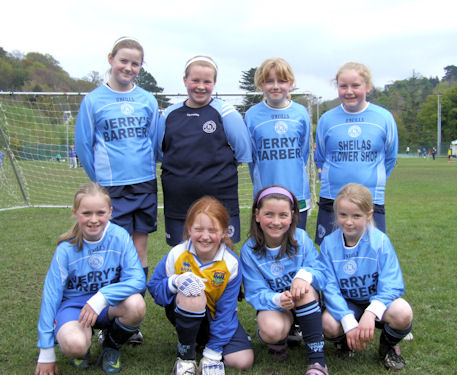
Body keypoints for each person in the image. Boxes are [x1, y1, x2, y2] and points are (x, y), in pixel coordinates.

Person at [75, 38, 159, 336]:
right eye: (124, 60)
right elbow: (84, 146)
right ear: (111, 59)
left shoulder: (148, 99)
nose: (129, 67)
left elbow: (154, 141)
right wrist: (101, 181)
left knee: (139, 251)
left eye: (135, 63)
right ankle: (106, 314)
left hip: (145, 184)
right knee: (114, 252)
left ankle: (130, 320)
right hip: (112, 188)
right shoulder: (94, 100)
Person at [35, 183, 146, 375]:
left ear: (110, 212)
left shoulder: (120, 237)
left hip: (106, 305)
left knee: (136, 304)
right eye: (86, 213)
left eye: (100, 213)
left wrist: (101, 297)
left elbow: (137, 279)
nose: (94, 220)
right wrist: (46, 352)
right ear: (75, 213)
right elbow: (51, 295)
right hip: (76, 309)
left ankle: (110, 347)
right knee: (75, 344)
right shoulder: (66, 249)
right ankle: (80, 348)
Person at [148, 196, 254, 375]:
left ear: (223, 232)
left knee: (242, 360)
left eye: (212, 230)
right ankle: (186, 357)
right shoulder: (177, 254)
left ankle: (205, 343)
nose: (205, 236)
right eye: (198, 229)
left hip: (217, 320)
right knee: (194, 294)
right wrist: (174, 282)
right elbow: (155, 289)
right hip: (185, 310)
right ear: (189, 229)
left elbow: (226, 311)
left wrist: (213, 352)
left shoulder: (231, 264)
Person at [159, 55, 252, 247]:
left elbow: (242, 151)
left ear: (214, 83)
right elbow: (160, 153)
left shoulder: (226, 113)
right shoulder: (169, 114)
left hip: (220, 200)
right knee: (182, 257)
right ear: (185, 80)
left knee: (222, 256)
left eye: (207, 81)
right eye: (195, 80)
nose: (200, 86)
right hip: (178, 203)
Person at [319, 183, 413, 371]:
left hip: (376, 302)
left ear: (369, 215)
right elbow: (329, 287)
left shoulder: (380, 242)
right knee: (327, 323)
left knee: (403, 312)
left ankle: (388, 346)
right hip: (348, 304)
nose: (349, 222)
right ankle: (346, 341)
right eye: (343, 215)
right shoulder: (328, 244)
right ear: (336, 214)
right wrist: (347, 319)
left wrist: (372, 312)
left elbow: (393, 284)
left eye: (356, 216)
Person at [240, 186, 328, 375]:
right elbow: (254, 292)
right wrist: (277, 299)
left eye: (283, 215)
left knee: (303, 291)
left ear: (292, 216)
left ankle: (317, 362)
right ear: (257, 215)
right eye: (269, 214)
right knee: (271, 329)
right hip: (279, 307)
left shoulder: (301, 239)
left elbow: (321, 273)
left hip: (306, 302)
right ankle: (279, 340)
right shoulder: (249, 250)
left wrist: (303, 277)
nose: (276, 222)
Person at [314, 62, 398, 245]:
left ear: (367, 87)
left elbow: (390, 158)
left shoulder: (383, 118)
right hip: (332, 198)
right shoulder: (327, 119)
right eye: (343, 86)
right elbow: (320, 157)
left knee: (371, 253)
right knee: (330, 253)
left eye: (355, 85)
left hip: (371, 199)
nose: (349, 91)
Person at [244, 58, 311, 229]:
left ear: (291, 83)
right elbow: (252, 158)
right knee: (266, 248)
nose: (275, 86)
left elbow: (303, 154)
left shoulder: (300, 113)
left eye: (281, 81)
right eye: (269, 81)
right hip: (265, 193)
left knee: (296, 246)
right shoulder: (252, 115)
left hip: (296, 193)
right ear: (260, 84)